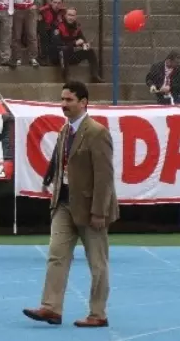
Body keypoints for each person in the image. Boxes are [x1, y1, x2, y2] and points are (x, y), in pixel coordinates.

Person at [24, 81, 118, 328]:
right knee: (56, 255)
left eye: (69, 100)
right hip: (64, 203)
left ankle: (98, 313)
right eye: (62, 99)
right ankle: (51, 308)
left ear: (83, 102)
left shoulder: (97, 132)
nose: (63, 104)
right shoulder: (64, 131)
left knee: (97, 262)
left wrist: (99, 211)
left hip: (90, 208)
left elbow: (104, 176)